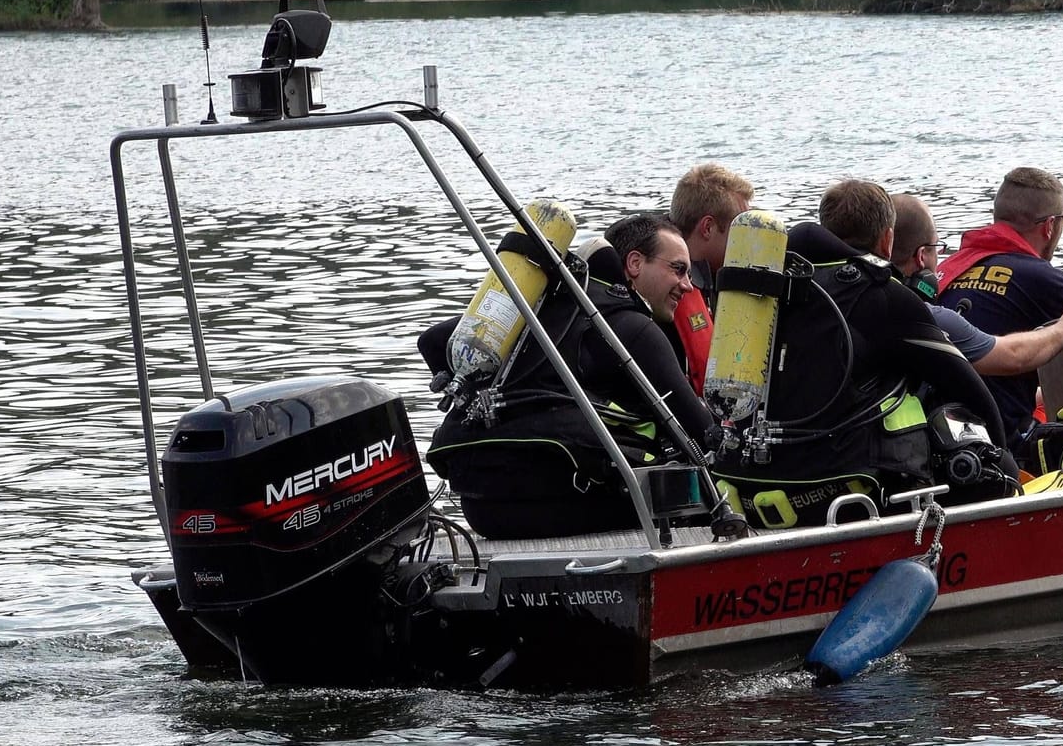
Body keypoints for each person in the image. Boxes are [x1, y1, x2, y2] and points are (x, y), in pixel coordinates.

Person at [714, 180, 1006, 528]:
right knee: (992, 463)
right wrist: (1003, 455)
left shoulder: (769, 288)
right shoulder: (882, 295)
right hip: (841, 495)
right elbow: (973, 393)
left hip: (745, 489)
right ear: (887, 239)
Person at [422, 213, 720, 539]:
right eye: (677, 269)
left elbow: (433, 340)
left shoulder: (540, 310)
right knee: (693, 493)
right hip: (566, 506)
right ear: (635, 263)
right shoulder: (634, 330)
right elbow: (700, 433)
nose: (687, 285)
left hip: (482, 511)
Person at [936, 168, 1063, 448]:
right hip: (1004, 439)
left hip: (940, 429)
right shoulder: (1046, 279)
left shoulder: (945, 271)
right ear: (1050, 226)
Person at [891, 193, 1063, 376]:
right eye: (937, 247)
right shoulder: (927, 317)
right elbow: (1013, 357)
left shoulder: (863, 295)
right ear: (921, 256)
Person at [668, 164, 754, 393]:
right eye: (740, 232)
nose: (747, 244)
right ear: (708, 228)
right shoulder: (664, 291)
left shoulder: (711, 278)